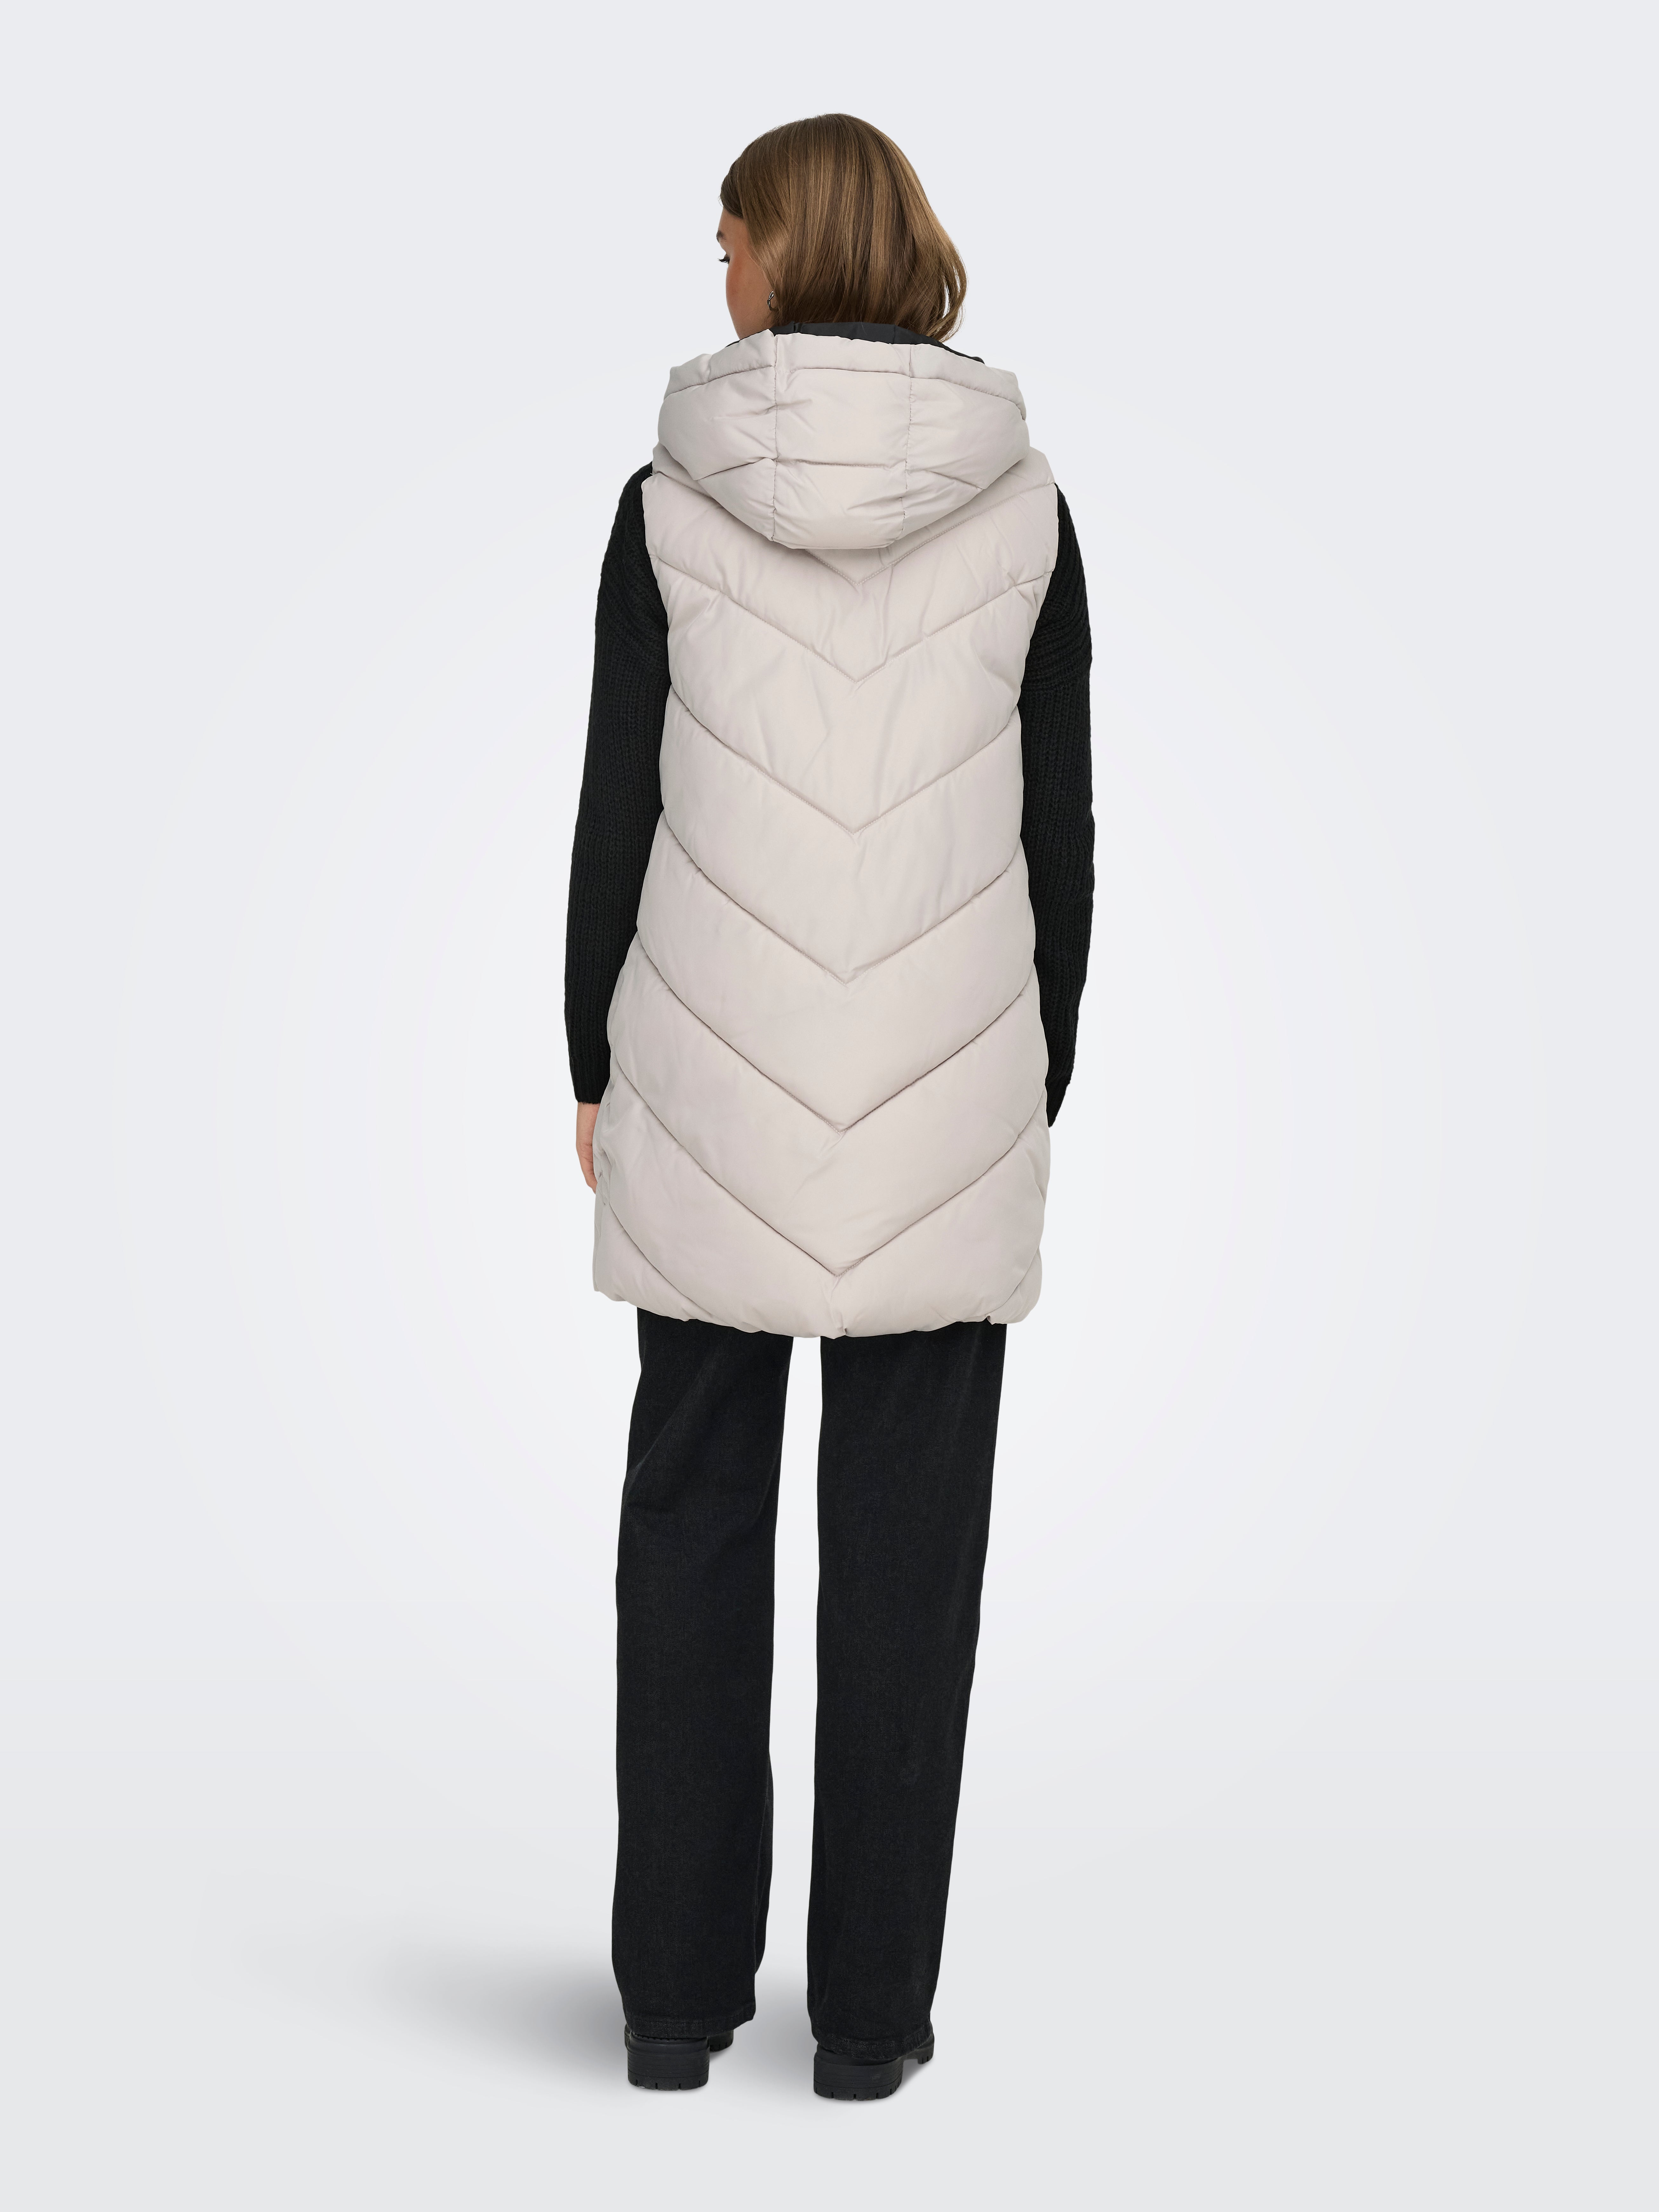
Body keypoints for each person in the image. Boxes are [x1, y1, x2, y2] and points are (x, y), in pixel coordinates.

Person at [563, 113, 1094, 2100]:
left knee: (692, 1529)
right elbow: (1062, 834)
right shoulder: (1026, 506)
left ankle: (674, 2004)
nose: (718, 275)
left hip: (707, 1075)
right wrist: (1035, 1071)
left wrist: (590, 1058)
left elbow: (617, 805)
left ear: (788, 250)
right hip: (953, 1074)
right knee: (909, 1563)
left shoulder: (663, 504)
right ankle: (868, 2025)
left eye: (729, 239)